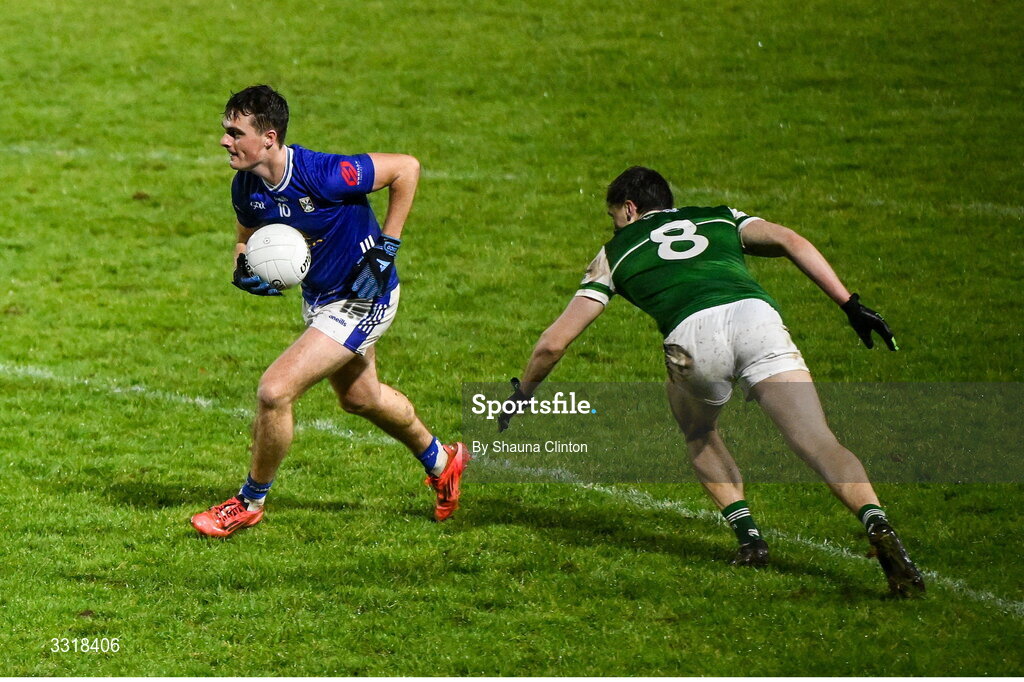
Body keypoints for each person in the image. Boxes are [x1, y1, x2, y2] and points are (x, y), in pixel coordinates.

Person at [500, 166, 924, 597]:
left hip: (692, 339)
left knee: (699, 430)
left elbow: (553, 344)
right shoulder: (722, 216)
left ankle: (749, 538)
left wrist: (523, 393)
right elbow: (790, 240)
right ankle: (875, 519)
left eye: (614, 217)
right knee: (819, 441)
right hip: (755, 318)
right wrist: (850, 304)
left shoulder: (614, 253)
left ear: (629, 209)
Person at [190, 85, 468, 537]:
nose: (224, 140)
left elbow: (407, 169)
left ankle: (248, 502)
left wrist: (386, 250)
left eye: (234, 132)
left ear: (269, 137)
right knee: (361, 398)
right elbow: (246, 234)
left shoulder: (324, 173)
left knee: (274, 391)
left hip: (364, 296)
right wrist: (242, 265)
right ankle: (443, 461)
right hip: (321, 298)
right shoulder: (246, 185)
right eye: (225, 130)